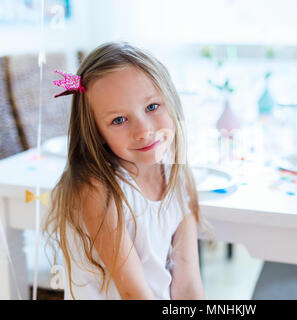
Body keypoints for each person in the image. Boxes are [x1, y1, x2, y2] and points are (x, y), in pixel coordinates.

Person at [44, 42, 213, 300]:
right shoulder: (97, 189)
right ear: (96, 132)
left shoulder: (178, 178)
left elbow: (188, 286)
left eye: (152, 107)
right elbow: (133, 293)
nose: (143, 130)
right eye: (119, 120)